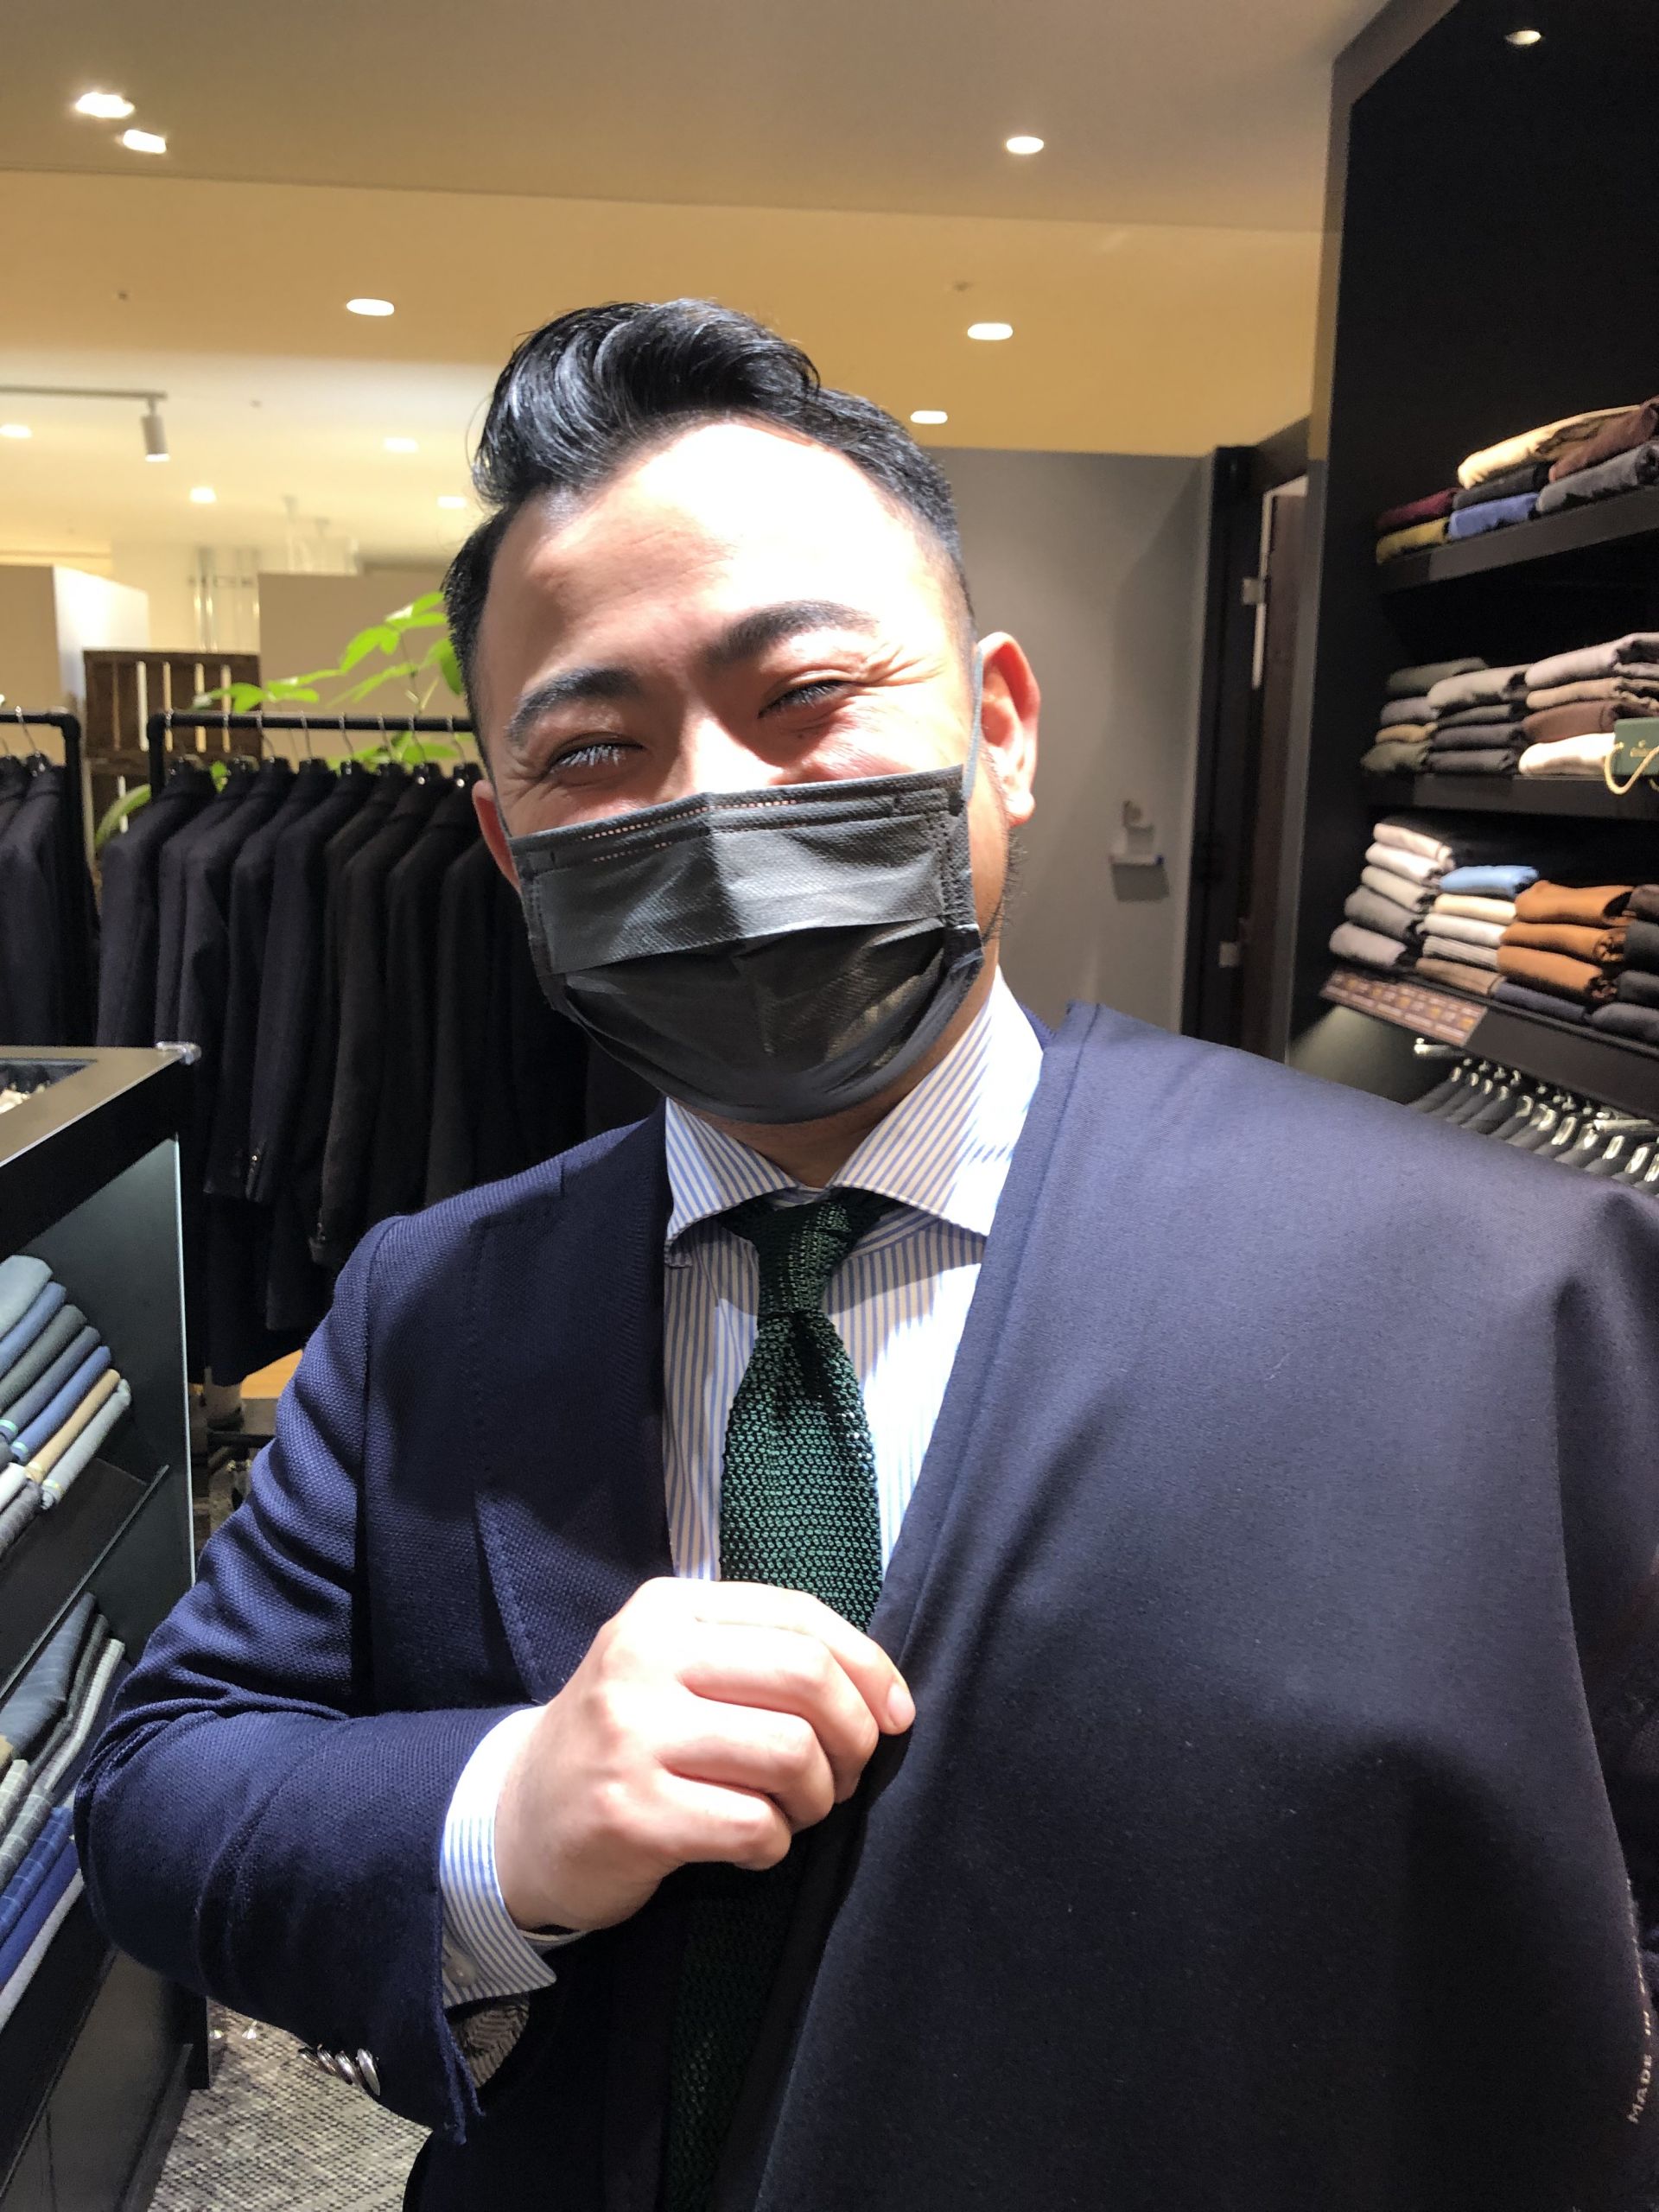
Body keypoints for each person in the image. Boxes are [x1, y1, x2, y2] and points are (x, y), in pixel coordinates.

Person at [79, 301, 1659, 2212]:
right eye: (595, 749)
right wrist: (503, 1811)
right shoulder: (436, 1305)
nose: (717, 806)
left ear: (1000, 728)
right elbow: (162, 1787)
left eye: (807, 693)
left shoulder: (1495, 1290)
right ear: (506, 847)